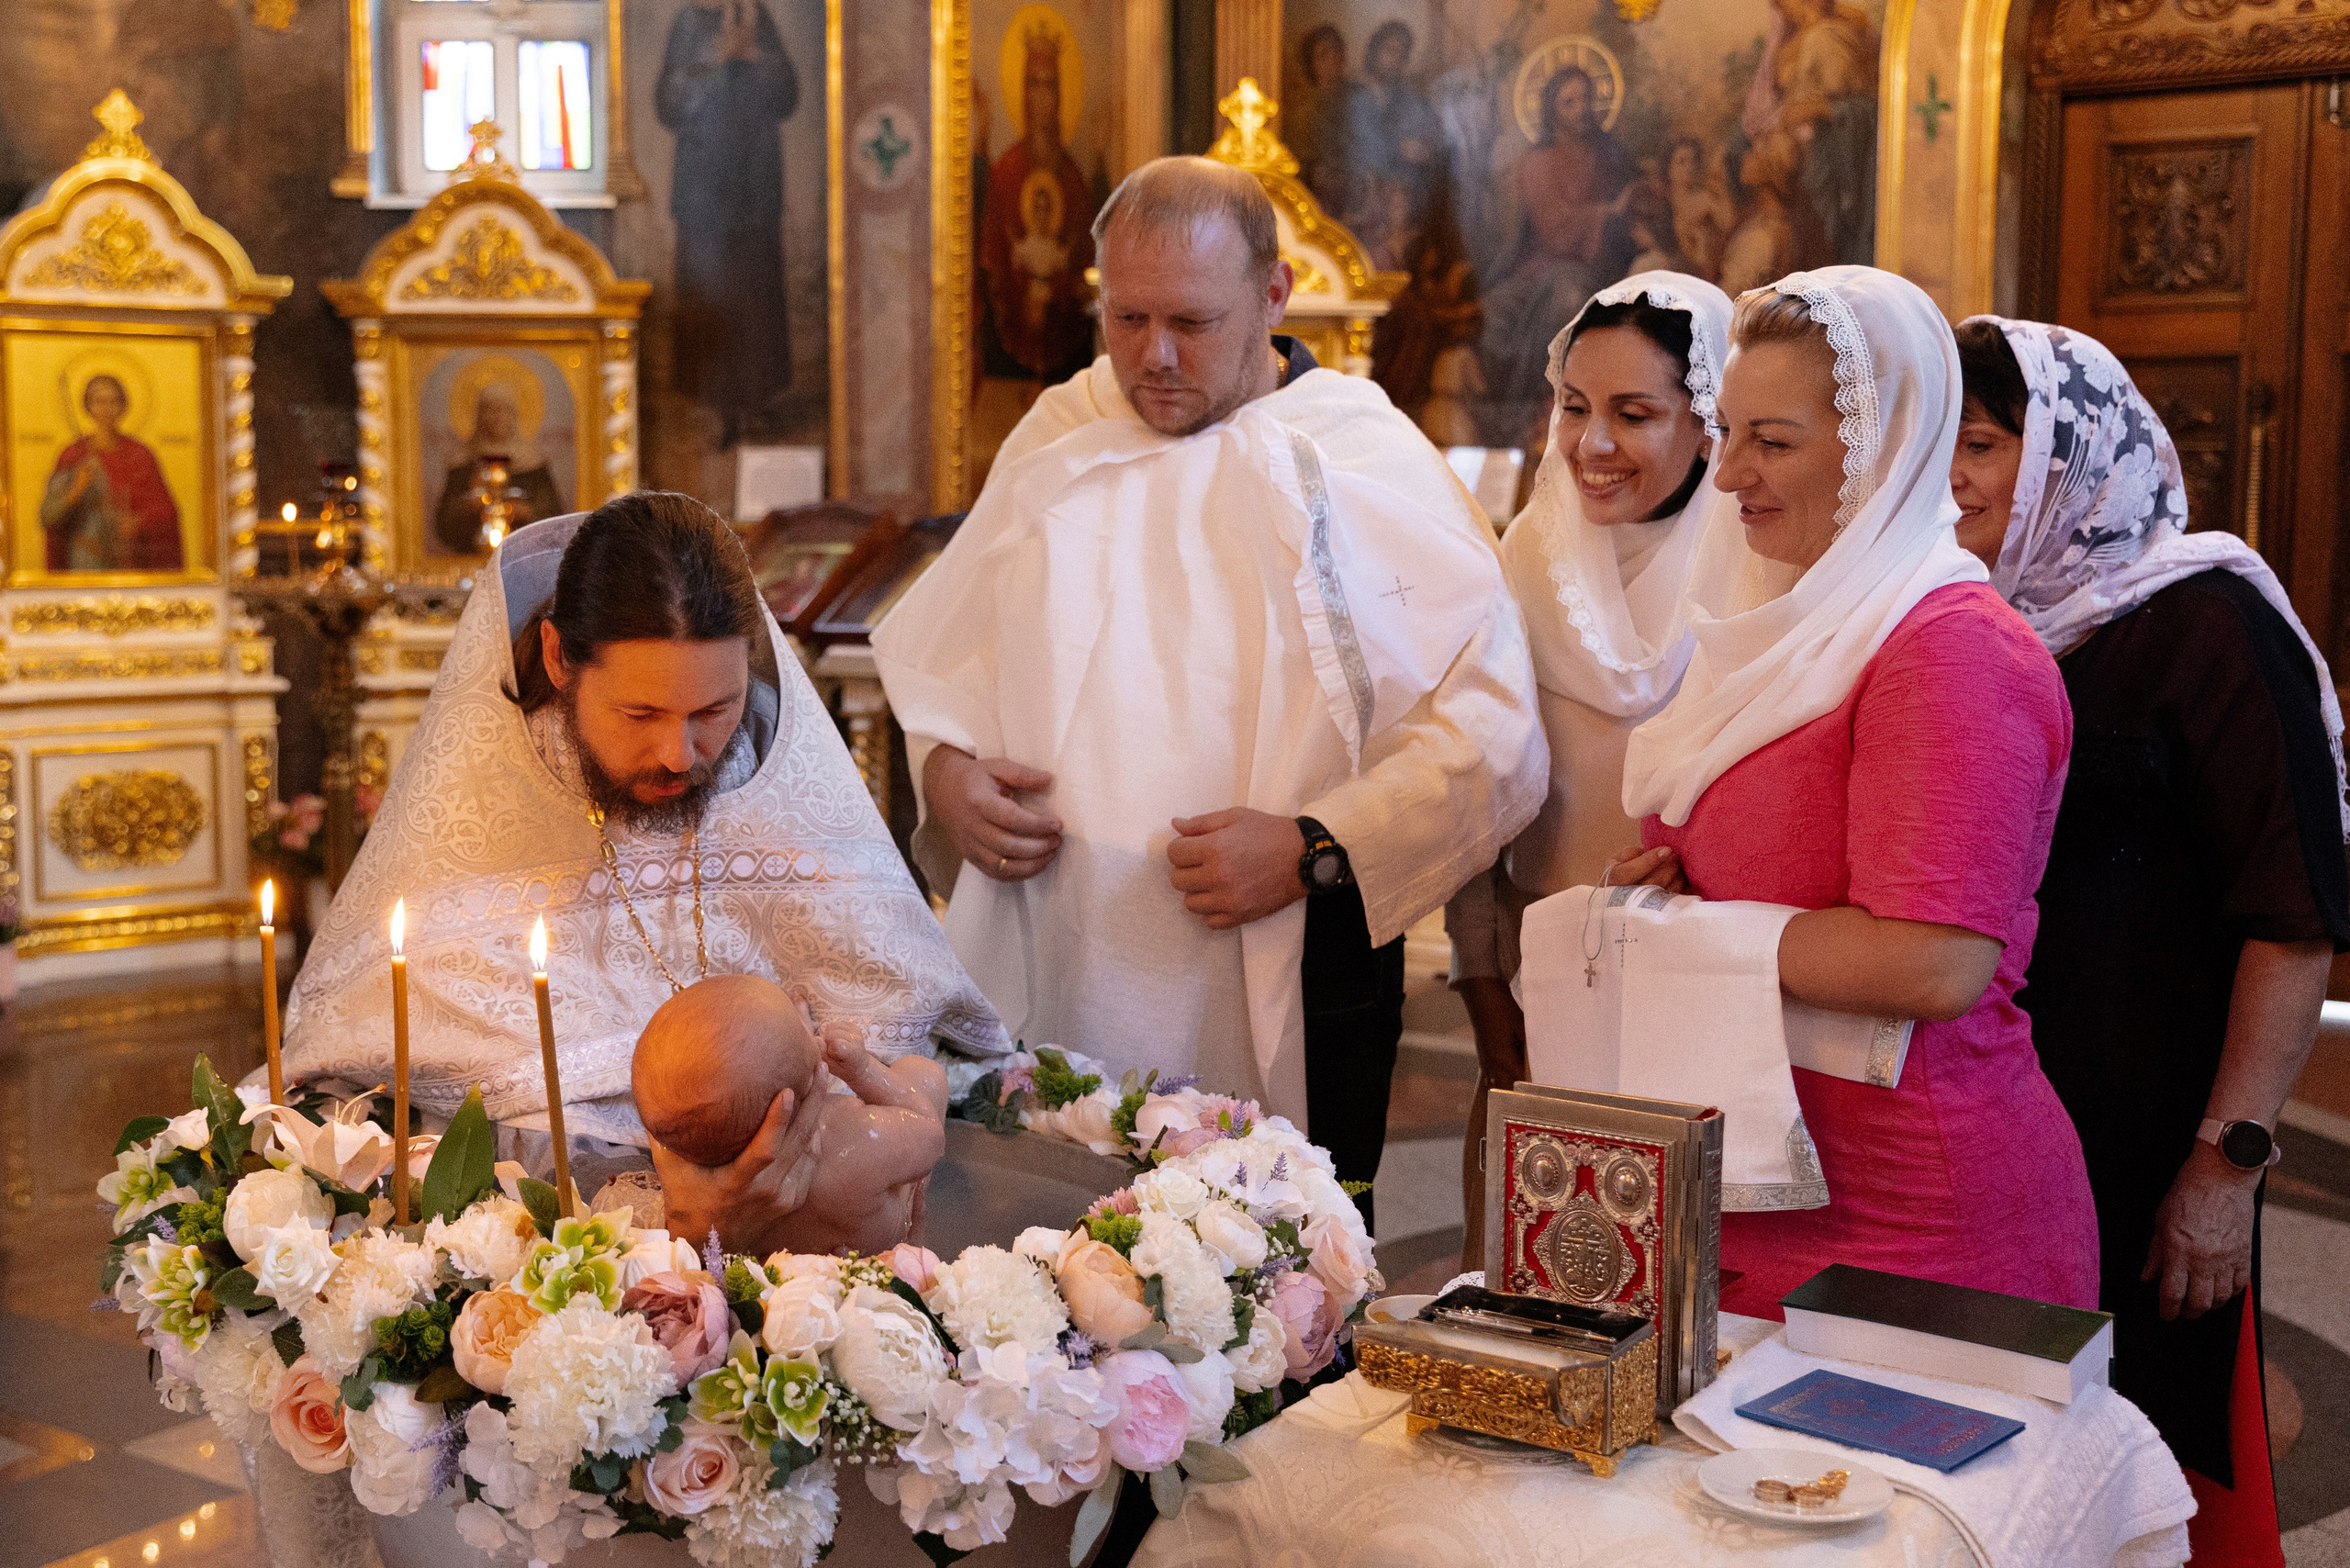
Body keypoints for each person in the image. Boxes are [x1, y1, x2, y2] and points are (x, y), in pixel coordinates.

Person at [872, 157, 1547, 1224]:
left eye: (1191, 319)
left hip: (1298, 951)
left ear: (1274, 296)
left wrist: (1314, 845)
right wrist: (947, 774)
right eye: (1126, 317)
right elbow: (952, 660)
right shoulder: (1060, 426)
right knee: (1056, 1268)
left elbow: (1491, 729)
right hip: (1065, 949)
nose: (1154, 356)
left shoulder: (1360, 451)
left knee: (1279, 1293)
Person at [279, 492, 1003, 1251]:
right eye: (640, 715)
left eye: (713, 710)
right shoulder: (480, 808)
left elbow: (908, 1012)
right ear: (560, 659)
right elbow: (365, 1076)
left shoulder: (774, 777)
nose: (679, 755)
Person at [1613, 266, 2097, 1316]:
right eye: (1724, 430)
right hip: (1754, 1172)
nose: (1728, 471)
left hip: (1915, 1210)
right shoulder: (1782, 625)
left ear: (1883, 452)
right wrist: (1662, 892)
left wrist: (1675, 936)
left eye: (1772, 442)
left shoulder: (1951, 650)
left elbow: (1932, 959)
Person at [1953, 316, 2347, 1565]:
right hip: (2007, 1127)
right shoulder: (1967, 619)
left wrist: (2226, 1167)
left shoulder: (2210, 626)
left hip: (2157, 1135)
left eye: (1981, 445)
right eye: (1937, 446)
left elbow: (2293, 923)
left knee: (2155, 1458)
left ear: (2070, 457)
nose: (1950, 478)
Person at [1447, 271, 1730, 1268]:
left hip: (1708, 999)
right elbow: (1483, 794)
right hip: (1537, 994)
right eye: (1574, 407)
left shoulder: (1760, 570)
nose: (1591, 445)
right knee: (1533, 1295)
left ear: (1710, 422)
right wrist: (1490, 1002)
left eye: (1634, 413)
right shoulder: (1525, 555)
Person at [634, 974, 948, 1256]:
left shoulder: (698, 1163)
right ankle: (912, 1238)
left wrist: (789, 1046)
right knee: (924, 1073)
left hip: (786, 1266)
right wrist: (864, 1070)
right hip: (874, 1250)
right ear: (811, 1080)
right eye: (802, 1032)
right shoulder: (857, 1133)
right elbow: (931, 1136)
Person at [655, 0, 799, 446]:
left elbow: (788, 96)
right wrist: (714, 61)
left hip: (755, 188)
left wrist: (754, 56)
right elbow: (669, 104)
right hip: (704, 194)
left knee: (755, 295)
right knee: (710, 297)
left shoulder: (757, 17)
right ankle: (711, 407)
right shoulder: (688, 23)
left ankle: (756, 401)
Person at [1478, 66, 1634, 439]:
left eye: (1586, 100)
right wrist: (1606, 212)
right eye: (1569, 102)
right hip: (1542, 263)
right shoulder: (1538, 161)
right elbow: (1554, 229)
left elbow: (1634, 204)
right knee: (1494, 311)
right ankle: (1506, 413)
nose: (1580, 109)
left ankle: (1549, 404)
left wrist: (1626, 210)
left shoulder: (1611, 158)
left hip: (1592, 267)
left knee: (1568, 297)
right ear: (1553, 110)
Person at [979, 29, 1099, 386]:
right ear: (1022, 91)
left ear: (1060, 92)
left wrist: (1056, 289)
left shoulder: (1074, 178)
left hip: (1067, 354)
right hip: (1005, 356)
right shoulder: (1007, 171)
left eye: (1049, 85)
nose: (1041, 97)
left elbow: (1085, 263)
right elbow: (991, 261)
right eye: (1033, 84)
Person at [40, 374, 182, 572]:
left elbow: (165, 511)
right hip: (86, 559)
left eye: (114, 401)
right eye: (99, 401)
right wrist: (77, 488)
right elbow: (48, 516)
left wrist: (138, 522)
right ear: (88, 406)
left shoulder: (140, 454)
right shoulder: (73, 455)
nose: (106, 409)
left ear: (124, 406)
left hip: (129, 559)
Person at [432, 381, 565, 555]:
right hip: (470, 560)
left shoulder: (534, 465)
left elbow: (554, 520)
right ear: (479, 416)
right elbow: (443, 527)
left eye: (503, 410)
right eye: (490, 410)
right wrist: (468, 506)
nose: (497, 417)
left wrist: (528, 513)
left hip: (523, 559)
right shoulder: (462, 464)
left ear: (514, 416)